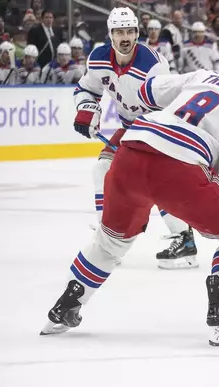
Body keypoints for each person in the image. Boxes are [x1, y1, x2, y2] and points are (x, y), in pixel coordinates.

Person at [40, 43, 219, 347]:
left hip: (130, 152)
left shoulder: (206, 75)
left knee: (110, 242)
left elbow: (147, 91)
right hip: (181, 171)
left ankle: (66, 305)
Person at [72, 7, 198, 269]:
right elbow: (87, 88)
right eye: (119, 32)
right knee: (102, 169)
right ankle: (107, 239)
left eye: (130, 31)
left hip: (158, 128)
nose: (125, 37)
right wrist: (87, 108)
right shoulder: (98, 59)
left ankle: (185, 241)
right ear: (111, 35)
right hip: (130, 126)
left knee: (154, 184)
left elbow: (171, 104)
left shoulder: (153, 64)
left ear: (138, 33)